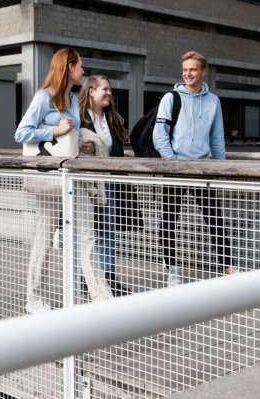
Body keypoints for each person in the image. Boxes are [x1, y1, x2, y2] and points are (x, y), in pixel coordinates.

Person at [14, 47, 110, 313]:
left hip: (73, 177)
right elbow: (21, 133)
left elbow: (70, 140)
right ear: (68, 68)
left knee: (87, 236)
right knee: (43, 237)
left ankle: (101, 299)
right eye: (80, 66)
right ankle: (33, 300)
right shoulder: (44, 98)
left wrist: (86, 146)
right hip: (51, 178)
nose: (83, 71)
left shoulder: (71, 99)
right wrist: (53, 130)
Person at [152, 50, 236, 286]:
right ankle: (172, 270)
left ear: (203, 72)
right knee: (168, 221)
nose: (188, 73)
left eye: (193, 69)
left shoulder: (213, 101)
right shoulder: (171, 98)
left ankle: (228, 266)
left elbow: (217, 140)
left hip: (202, 169)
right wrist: (173, 163)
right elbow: (160, 135)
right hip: (175, 169)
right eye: (185, 69)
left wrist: (221, 172)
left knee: (215, 219)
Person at [78, 75, 133, 297]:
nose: (109, 93)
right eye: (105, 89)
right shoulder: (79, 117)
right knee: (88, 231)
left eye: (110, 90)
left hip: (108, 181)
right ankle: (88, 277)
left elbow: (115, 149)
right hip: (86, 182)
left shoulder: (112, 119)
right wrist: (83, 147)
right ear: (91, 91)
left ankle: (108, 276)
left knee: (108, 229)